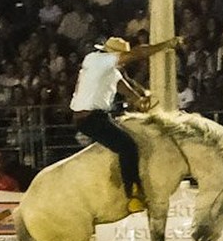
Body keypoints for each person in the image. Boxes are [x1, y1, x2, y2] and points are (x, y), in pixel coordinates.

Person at [69, 35, 183, 212]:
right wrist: (165, 45)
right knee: (128, 146)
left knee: (133, 138)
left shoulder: (109, 71)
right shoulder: (97, 60)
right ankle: (133, 194)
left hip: (97, 117)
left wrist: (140, 101)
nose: (125, 62)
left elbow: (127, 91)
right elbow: (138, 54)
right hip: (90, 118)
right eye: (123, 58)